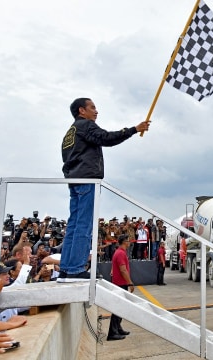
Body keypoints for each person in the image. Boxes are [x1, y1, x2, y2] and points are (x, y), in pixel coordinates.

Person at [58, 98, 150, 283]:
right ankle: (76, 269)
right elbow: (106, 138)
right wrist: (134, 129)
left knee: (74, 226)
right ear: (81, 111)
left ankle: (66, 269)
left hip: (75, 181)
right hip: (87, 180)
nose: (96, 111)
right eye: (92, 107)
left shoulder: (70, 132)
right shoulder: (85, 125)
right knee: (84, 225)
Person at [108, 235, 134, 341]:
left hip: (119, 283)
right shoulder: (120, 253)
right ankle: (112, 333)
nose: (129, 242)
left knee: (121, 308)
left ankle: (118, 328)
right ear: (124, 242)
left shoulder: (119, 252)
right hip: (120, 284)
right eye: (128, 240)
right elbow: (123, 270)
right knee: (117, 308)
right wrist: (130, 283)